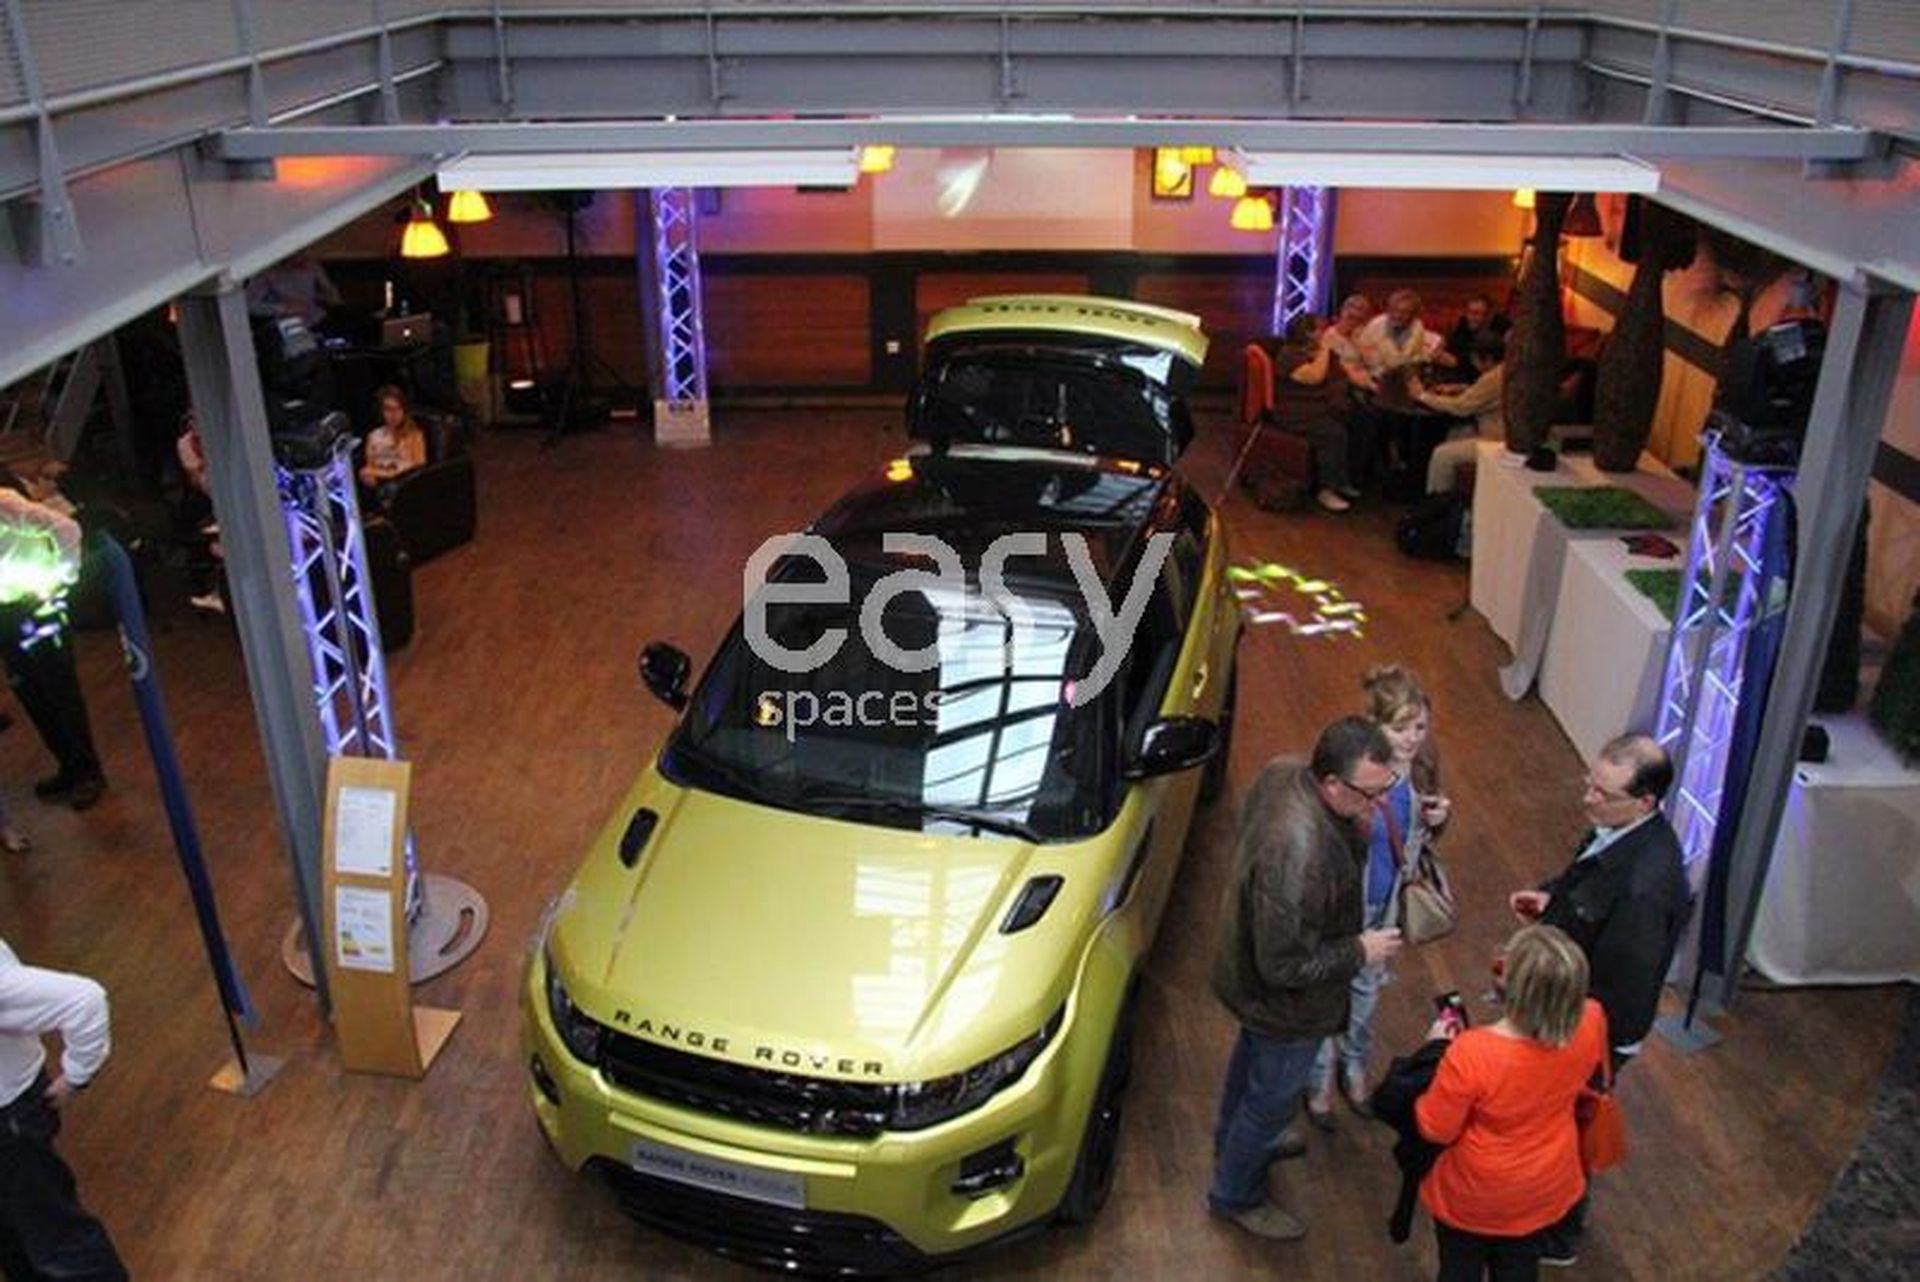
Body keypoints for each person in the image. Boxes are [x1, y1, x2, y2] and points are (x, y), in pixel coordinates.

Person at [1208, 717, 1405, 1240]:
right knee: (1270, 1100)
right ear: (1332, 784)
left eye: (1385, 788)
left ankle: (1233, 1143)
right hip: (1285, 1005)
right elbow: (1284, 967)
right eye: (1370, 793)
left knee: (1249, 1071)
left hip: (1247, 977)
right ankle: (1235, 1193)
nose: (1380, 803)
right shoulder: (1300, 853)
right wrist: (1359, 950)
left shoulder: (1284, 772)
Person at [1509, 733, 1690, 1267]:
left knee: (1567, 1130)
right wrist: (1553, 899)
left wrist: (1570, 1039)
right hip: (1572, 1014)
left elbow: (1623, 990)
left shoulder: (1646, 886)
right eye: (1589, 783)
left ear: (1645, 802)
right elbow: (1587, 878)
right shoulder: (1619, 830)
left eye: (1603, 793)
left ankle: (1558, 1234)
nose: (1587, 798)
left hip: (1587, 1033)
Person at [1415, 925, 1610, 1282]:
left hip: (1478, 1190)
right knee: (1520, 1265)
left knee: (1459, 1268)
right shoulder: (1592, 1019)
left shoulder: (1473, 1052)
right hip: (1546, 1181)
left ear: (1511, 987)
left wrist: (1434, 1050)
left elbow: (1435, 1128)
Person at [1308, 666, 1451, 1126]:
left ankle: (1353, 1065)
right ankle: (1320, 1076)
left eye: (1420, 727)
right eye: (1401, 727)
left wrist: (1436, 820)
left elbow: (1418, 838)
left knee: (1367, 992)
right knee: (1328, 991)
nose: (1412, 738)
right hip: (1343, 905)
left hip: (1386, 903)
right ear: (1375, 725)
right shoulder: (1357, 773)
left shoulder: (1422, 769)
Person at [0, 936, 128, 1281]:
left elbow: (84, 1000)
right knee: (18, 1243)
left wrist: (77, 1075)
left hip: (11, 1126)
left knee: (58, 1245)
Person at [0, 480, 106, 811]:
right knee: (32, 694)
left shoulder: (4, 503)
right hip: (7, 613)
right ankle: (69, 766)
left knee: (60, 691)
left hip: (34, 607)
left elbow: (67, 528)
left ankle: (88, 772)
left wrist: (62, 580)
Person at [1269, 315, 1362, 513]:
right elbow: (1314, 377)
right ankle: (1326, 490)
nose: (1325, 332)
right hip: (1294, 412)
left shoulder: (1314, 351)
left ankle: (1342, 480)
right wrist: (1326, 348)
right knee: (1333, 433)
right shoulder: (1289, 354)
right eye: (1320, 329)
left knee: (1362, 420)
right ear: (1308, 333)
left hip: (1317, 407)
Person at [1413, 336, 1509, 496]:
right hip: (1498, 433)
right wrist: (1460, 388)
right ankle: (1452, 494)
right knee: (1453, 433)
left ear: (1488, 359)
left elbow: (1460, 407)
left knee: (1442, 455)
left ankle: (1437, 500)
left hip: (1496, 440)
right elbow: (1484, 394)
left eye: (1475, 359)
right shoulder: (1503, 370)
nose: (1473, 363)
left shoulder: (1493, 379)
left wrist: (1422, 396)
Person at [359, 385, 430, 493]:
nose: (393, 414)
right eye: (388, 409)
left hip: (407, 486)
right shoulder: (373, 436)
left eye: (398, 408)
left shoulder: (414, 435)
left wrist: (387, 474)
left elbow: (419, 468)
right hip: (383, 488)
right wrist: (369, 477)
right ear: (381, 411)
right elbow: (370, 469)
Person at [245, 250, 341, 329]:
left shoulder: (311, 266)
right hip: (287, 324)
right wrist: (284, 308)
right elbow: (249, 305)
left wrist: (328, 294)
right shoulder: (267, 273)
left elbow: (331, 296)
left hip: (317, 320)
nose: (299, 257)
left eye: (301, 251)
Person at [1358, 288, 1439, 382]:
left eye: (1404, 312)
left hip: (1406, 379)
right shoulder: (1373, 328)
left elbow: (1416, 355)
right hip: (1377, 380)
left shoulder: (1417, 326)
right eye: (1394, 310)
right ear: (1388, 309)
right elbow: (1374, 366)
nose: (1397, 316)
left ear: (1413, 315)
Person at [1440, 294, 1512, 372]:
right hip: (1462, 371)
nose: (1477, 318)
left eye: (1483, 314)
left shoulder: (1499, 326)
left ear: (1488, 315)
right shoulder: (1464, 323)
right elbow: (1454, 346)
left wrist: (1457, 362)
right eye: (1472, 312)